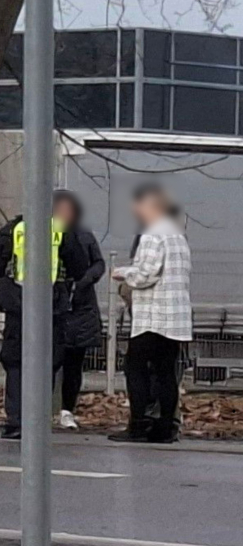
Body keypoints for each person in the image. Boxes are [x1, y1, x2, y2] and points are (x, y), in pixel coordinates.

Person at [0, 197, 88, 439]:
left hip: (18, 305)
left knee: (15, 363)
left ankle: (15, 421)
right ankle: (38, 422)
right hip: (50, 306)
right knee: (46, 363)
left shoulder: (12, 230)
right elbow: (79, 268)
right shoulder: (62, 232)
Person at [110, 183, 192, 444]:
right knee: (166, 372)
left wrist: (123, 273)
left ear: (151, 206)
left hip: (153, 316)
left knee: (134, 367)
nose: (136, 210)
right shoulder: (177, 235)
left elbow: (146, 275)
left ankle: (138, 424)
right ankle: (165, 427)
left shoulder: (152, 235)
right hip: (175, 317)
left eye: (139, 205)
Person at [53, 190, 105, 430]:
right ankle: (41, 409)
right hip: (54, 308)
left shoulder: (84, 235)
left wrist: (85, 281)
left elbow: (98, 263)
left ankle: (67, 410)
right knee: (49, 362)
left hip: (81, 309)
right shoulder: (45, 234)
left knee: (74, 364)